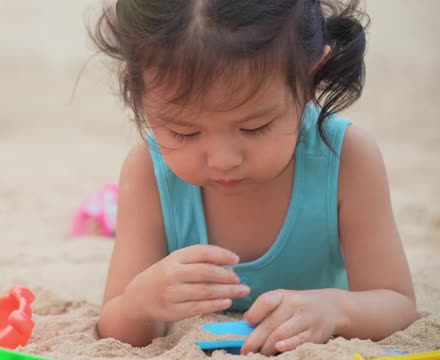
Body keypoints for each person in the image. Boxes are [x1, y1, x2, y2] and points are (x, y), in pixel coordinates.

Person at [90, 0, 417, 355]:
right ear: (138, 91)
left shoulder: (347, 158)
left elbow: (397, 304)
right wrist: (141, 304)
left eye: (255, 127)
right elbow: (116, 328)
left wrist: (334, 309)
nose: (224, 160)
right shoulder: (148, 171)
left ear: (309, 77)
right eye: (184, 132)